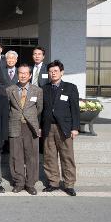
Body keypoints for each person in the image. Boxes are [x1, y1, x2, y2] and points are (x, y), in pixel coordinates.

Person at [41, 60, 80, 196]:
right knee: (49, 156)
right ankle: (53, 182)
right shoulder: (44, 88)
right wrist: (40, 127)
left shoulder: (70, 87)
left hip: (64, 128)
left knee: (67, 156)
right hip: (48, 127)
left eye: (56, 71)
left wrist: (75, 128)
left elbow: (75, 109)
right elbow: (41, 110)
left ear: (62, 72)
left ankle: (69, 184)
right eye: (51, 71)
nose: (53, 73)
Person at [6, 64, 43, 195]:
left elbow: (39, 109)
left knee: (32, 156)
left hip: (30, 126)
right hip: (15, 125)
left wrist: (34, 121)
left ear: (30, 75)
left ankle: (30, 183)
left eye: (25, 73)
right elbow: (7, 109)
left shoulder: (37, 90)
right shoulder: (10, 90)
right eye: (20, 73)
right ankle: (19, 182)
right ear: (17, 74)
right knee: (16, 156)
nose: (23, 75)